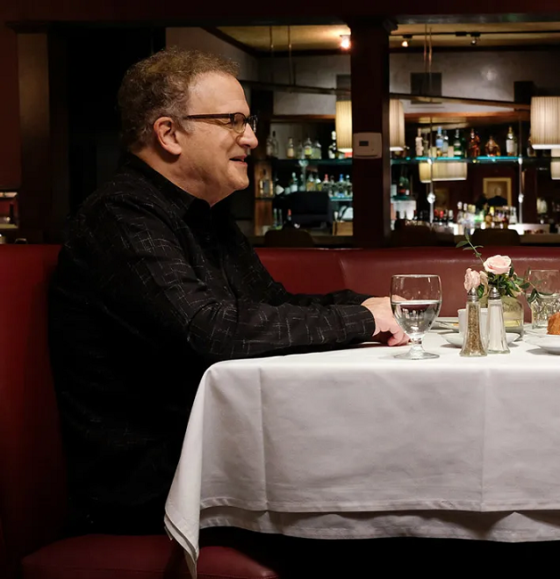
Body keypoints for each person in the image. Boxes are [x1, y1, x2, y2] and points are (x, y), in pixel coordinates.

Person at [48, 48, 408, 536]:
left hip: (214, 459)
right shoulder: (120, 215)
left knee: (390, 481)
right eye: (232, 121)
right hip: (152, 487)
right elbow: (208, 330)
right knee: (389, 514)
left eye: (248, 121)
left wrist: (364, 304)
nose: (252, 138)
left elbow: (270, 304)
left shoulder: (204, 213)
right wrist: (361, 321)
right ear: (168, 134)